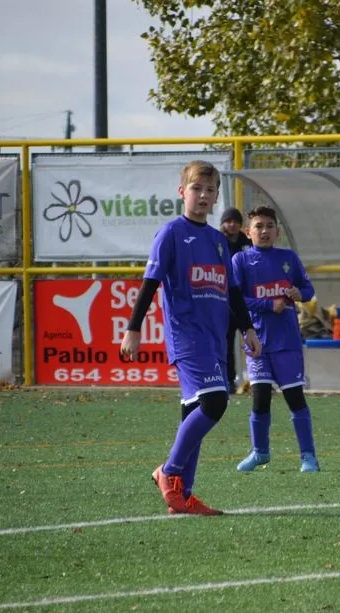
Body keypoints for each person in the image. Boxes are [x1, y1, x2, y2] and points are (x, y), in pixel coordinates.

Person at [121, 160, 262, 515]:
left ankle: (183, 497)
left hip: (214, 339)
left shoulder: (218, 242)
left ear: (216, 196)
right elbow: (150, 282)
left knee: (193, 412)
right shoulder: (171, 234)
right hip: (187, 336)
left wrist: (247, 329)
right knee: (216, 403)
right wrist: (133, 328)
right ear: (182, 192)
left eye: (210, 190)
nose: (203, 195)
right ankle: (168, 472)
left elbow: (231, 293)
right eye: (196, 189)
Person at [231, 205, 320, 473]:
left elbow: (308, 289)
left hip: (287, 342)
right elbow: (235, 299)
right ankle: (260, 452)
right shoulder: (241, 262)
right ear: (248, 232)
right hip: (257, 341)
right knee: (260, 398)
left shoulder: (288, 258)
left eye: (269, 226)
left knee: (295, 398)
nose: (264, 231)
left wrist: (297, 292)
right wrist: (269, 305)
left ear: (278, 231)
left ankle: (308, 456)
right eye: (258, 226)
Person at [220, 207, 254, 393]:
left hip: (245, 300)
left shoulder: (247, 242)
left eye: (235, 221)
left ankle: (259, 379)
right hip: (225, 301)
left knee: (253, 337)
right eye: (228, 221)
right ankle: (228, 379)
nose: (231, 224)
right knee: (226, 342)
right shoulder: (218, 241)